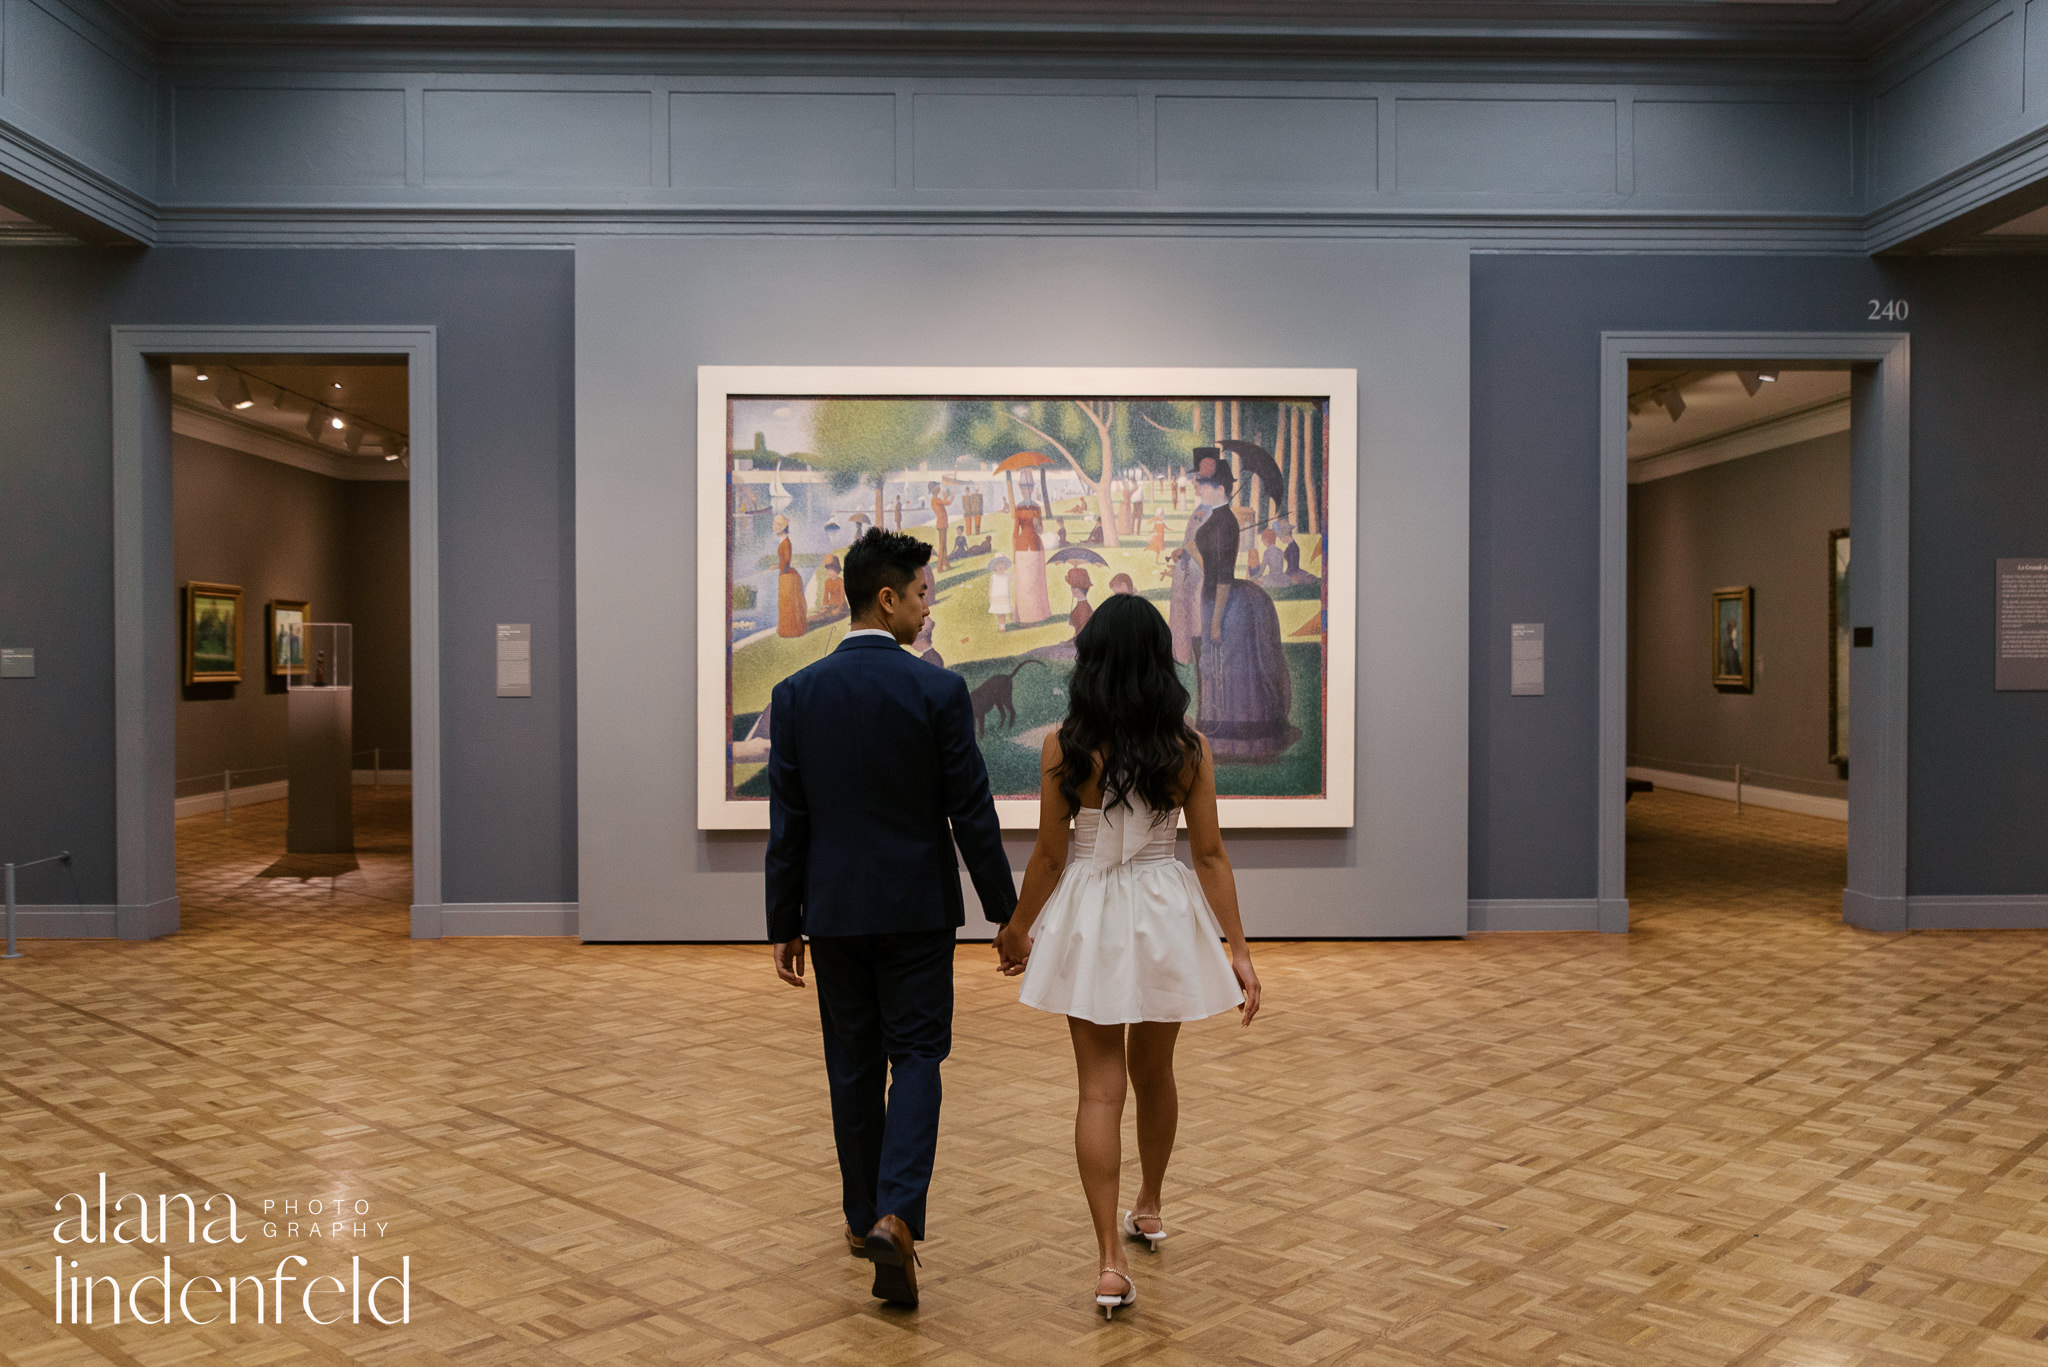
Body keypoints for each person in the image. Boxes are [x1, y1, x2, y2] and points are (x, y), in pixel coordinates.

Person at [767, 530, 1019, 1309]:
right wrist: (1005, 914)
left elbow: (790, 820)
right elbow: (970, 812)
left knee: (852, 1062)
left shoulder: (798, 694)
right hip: (916, 909)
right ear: (888, 597)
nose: (926, 606)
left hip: (835, 910)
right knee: (915, 1056)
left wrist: (785, 920)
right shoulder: (937, 693)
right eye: (921, 594)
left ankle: (858, 1217)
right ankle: (897, 1214)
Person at [994, 594, 1261, 1320]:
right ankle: (1150, 1201)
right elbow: (1207, 855)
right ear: (1159, 660)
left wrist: (1018, 929)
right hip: (1162, 911)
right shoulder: (1188, 747)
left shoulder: (1063, 746)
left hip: (1088, 912)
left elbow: (1051, 856)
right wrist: (1238, 951)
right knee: (1155, 1072)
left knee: (1098, 1089)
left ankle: (1110, 1261)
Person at [1011, 501, 1051, 625]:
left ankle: (1039, 614)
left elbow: (1041, 530)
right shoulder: (1018, 508)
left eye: (1028, 487)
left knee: (1036, 580)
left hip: (1036, 545)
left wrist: (1037, 522)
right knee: (1024, 581)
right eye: (1023, 487)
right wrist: (1014, 553)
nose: (1026, 490)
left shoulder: (1037, 508)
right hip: (1022, 546)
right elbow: (1015, 532)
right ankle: (1023, 615)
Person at [774, 514, 806, 638]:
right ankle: (786, 629)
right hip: (784, 574)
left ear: (781, 527)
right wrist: (777, 566)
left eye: (776, 524)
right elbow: (784, 562)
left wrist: (782, 572)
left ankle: (791, 630)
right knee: (784, 604)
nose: (773, 527)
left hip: (787, 577)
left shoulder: (786, 542)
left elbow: (787, 562)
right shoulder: (783, 541)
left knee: (788, 603)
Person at [1065, 563, 1094, 635]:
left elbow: (1082, 632)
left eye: (1072, 587)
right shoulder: (1081, 604)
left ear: (1077, 589)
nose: (1071, 589)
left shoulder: (1083, 607)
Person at [987, 555, 1014, 629]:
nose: (1001, 566)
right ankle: (1002, 627)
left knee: (1005, 611)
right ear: (995, 567)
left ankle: (1013, 617)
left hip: (1004, 596)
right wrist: (990, 598)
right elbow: (991, 588)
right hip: (996, 597)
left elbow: (1016, 578)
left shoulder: (1007, 575)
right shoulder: (993, 577)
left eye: (1002, 564)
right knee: (999, 613)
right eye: (998, 565)